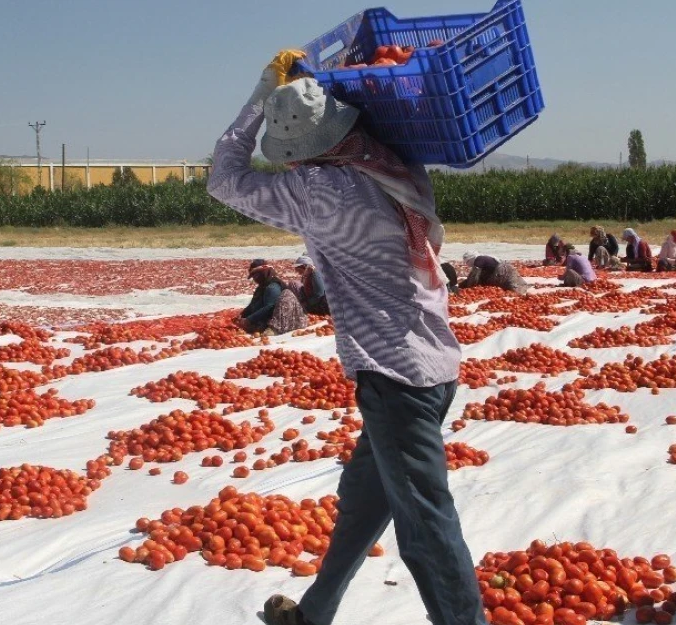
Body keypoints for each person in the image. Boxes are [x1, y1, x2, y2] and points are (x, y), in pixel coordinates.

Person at [206, 51, 486, 625]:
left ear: (300, 152)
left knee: (425, 531)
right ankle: (314, 614)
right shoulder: (396, 164)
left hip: (395, 379)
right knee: (363, 503)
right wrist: (316, 91)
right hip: (434, 366)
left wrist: (261, 98)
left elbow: (224, 178)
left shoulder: (317, 193)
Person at [239, 259, 308, 335]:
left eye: (256, 275)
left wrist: (249, 319)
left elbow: (270, 306)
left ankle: (274, 329)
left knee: (287, 294)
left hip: (287, 319)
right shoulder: (261, 288)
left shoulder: (273, 286)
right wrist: (242, 314)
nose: (255, 279)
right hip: (271, 317)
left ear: (263, 273)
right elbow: (253, 304)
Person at [460, 251, 529, 294]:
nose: (467, 264)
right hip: (503, 273)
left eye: (467, 262)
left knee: (515, 288)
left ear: (471, 258)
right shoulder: (482, 260)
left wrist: (470, 288)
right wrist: (461, 285)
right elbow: (474, 277)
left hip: (504, 272)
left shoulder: (479, 259)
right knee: (510, 287)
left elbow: (474, 276)